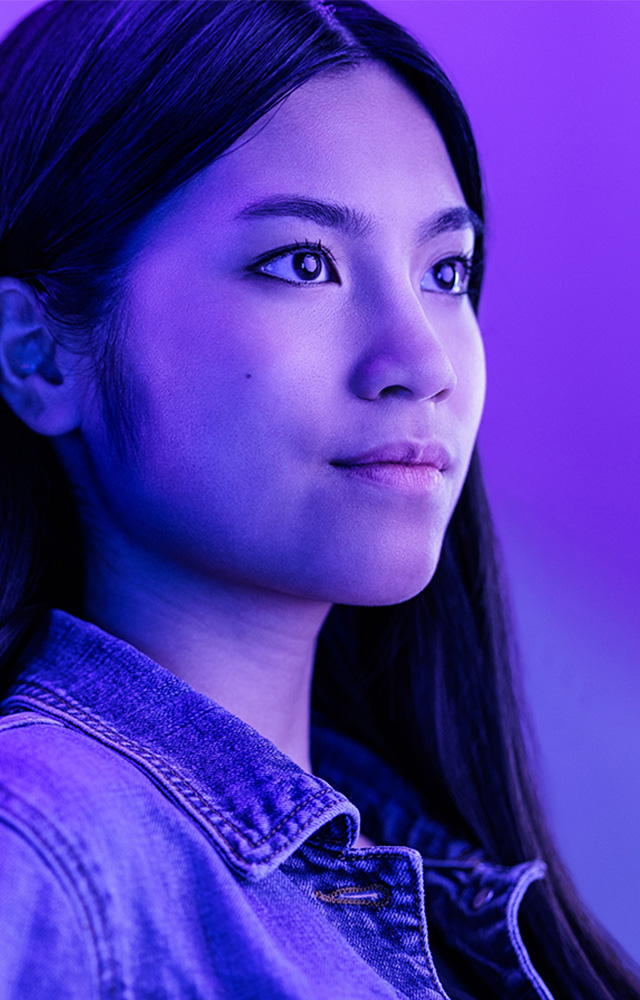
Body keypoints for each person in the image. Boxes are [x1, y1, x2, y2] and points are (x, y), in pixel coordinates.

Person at [0, 1, 637, 997]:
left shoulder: (410, 869)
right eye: (303, 262)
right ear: (37, 351)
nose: (419, 360)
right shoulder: (44, 861)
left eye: (446, 271)